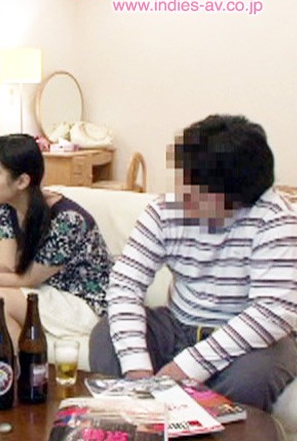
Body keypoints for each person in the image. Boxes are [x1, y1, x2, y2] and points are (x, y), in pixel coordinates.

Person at [89, 114, 297, 411]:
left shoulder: (275, 219)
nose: (183, 192)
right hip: (178, 325)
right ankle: (138, 418)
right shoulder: (165, 211)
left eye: (197, 188)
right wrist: (137, 371)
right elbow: (125, 286)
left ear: (234, 197)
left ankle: (203, 423)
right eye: (184, 178)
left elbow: (272, 313)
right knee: (105, 336)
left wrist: (187, 367)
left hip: (246, 340)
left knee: (253, 376)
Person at [0, 134, 113, 346]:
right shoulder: (5, 207)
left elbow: (27, 279)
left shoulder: (68, 220)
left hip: (86, 302)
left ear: (22, 181)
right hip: (48, 290)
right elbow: (8, 267)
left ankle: (20, 368)